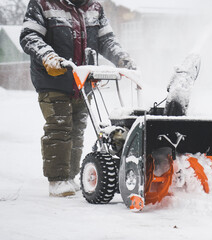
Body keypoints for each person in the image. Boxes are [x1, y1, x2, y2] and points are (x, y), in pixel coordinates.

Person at [20, 0, 136, 197]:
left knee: (77, 129)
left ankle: (70, 176)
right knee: (59, 128)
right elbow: (29, 36)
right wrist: (49, 56)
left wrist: (121, 58)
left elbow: (106, 40)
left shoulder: (94, 8)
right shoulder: (43, 4)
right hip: (53, 80)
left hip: (84, 81)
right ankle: (57, 179)